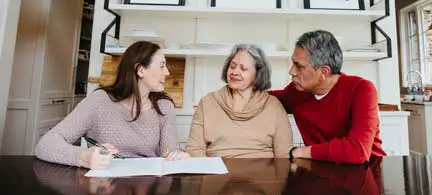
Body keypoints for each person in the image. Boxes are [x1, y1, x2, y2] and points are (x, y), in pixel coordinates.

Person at [35, 41, 188, 170]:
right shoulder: (99, 101)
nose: (167, 72)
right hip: (103, 186)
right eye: (162, 66)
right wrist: (83, 157)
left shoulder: (164, 106)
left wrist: (177, 155)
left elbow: (170, 152)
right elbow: (45, 145)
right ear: (140, 70)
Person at [268, 30, 387, 164]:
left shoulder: (362, 90)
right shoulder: (297, 91)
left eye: (299, 66)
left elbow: (357, 151)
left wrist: (298, 151)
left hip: (367, 173)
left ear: (324, 72)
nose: (292, 72)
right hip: (322, 173)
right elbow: (267, 99)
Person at [186, 44, 293, 158]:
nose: (235, 72)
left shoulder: (273, 106)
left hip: (263, 175)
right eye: (232, 66)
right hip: (217, 174)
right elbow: (195, 150)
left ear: (258, 74)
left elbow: (284, 155)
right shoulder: (207, 102)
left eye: (243, 69)